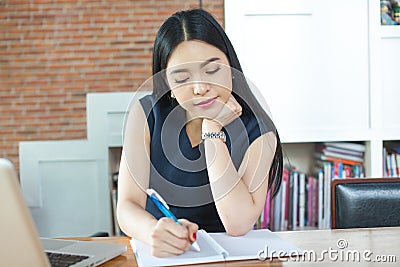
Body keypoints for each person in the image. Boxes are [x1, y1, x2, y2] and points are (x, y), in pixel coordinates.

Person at [116, 8, 283, 258]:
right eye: (182, 78)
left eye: (212, 70)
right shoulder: (146, 113)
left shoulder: (260, 132)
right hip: (158, 254)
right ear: (168, 85)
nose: (200, 88)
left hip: (226, 258)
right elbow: (127, 206)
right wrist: (155, 231)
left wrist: (212, 129)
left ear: (231, 68)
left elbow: (237, 224)